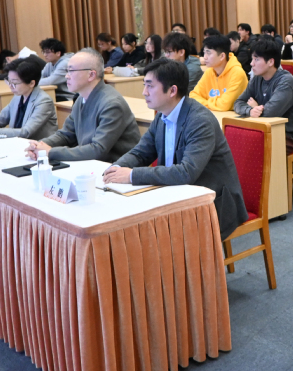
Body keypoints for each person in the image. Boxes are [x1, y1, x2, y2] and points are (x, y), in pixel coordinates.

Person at [102, 59, 248, 240]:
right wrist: (115, 169)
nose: (144, 92)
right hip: (177, 195)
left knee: (145, 230)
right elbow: (140, 152)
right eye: (144, 85)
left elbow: (186, 173)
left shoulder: (199, 121)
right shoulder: (162, 115)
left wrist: (131, 175)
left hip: (212, 202)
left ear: (172, 91)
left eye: (150, 86)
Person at [25, 48, 141, 163]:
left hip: (115, 167)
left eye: (71, 71)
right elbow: (66, 135)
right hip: (92, 164)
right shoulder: (81, 98)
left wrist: (50, 152)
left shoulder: (112, 104)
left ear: (91, 75)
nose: (66, 76)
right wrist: (40, 146)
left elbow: (98, 149)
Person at [234, 39, 293, 153]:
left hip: (290, 135)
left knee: (250, 148)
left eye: (256, 59)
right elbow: (238, 102)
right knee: (236, 140)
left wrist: (256, 107)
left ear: (271, 62)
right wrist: (250, 110)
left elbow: (270, 112)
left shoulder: (286, 81)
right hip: (266, 129)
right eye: (252, 59)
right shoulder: (257, 79)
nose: (252, 63)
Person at [0, 57, 57, 140]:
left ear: (31, 83)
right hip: (17, 143)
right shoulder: (18, 96)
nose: (10, 86)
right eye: (9, 81)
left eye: (14, 83)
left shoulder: (44, 101)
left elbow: (26, 132)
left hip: (37, 146)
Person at [190, 35, 248, 111]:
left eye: (208, 53)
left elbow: (224, 105)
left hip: (231, 116)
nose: (205, 57)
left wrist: (205, 103)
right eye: (204, 53)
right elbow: (193, 96)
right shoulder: (209, 72)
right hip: (213, 114)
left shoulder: (237, 73)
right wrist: (213, 104)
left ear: (222, 56)